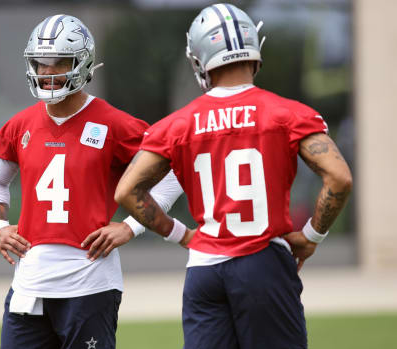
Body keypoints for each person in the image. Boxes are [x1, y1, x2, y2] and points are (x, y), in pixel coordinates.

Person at [114, 4, 352, 349]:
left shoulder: (177, 124)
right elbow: (340, 178)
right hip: (263, 262)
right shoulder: (287, 114)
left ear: (200, 59)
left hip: (204, 271)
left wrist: (180, 234)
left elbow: (127, 191)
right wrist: (313, 234)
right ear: (255, 50)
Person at [0, 14, 184, 349]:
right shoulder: (19, 125)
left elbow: (174, 171)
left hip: (89, 281)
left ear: (82, 62)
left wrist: (132, 226)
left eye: (58, 62)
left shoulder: (115, 124)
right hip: (29, 283)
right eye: (40, 63)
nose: (47, 72)